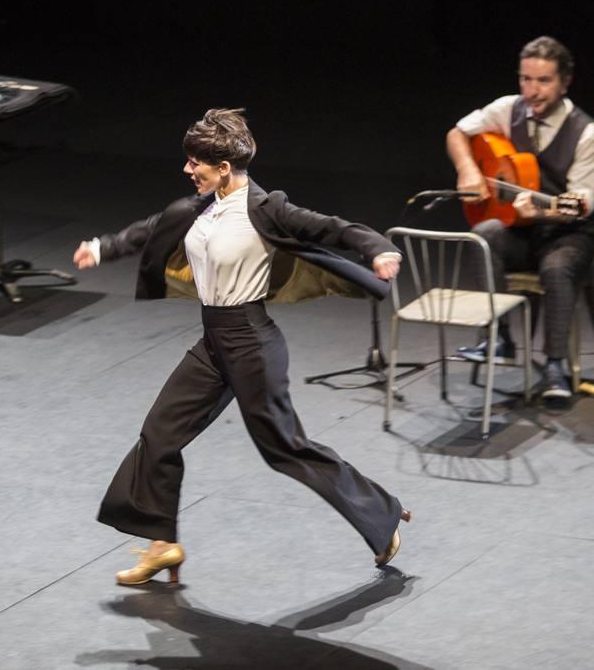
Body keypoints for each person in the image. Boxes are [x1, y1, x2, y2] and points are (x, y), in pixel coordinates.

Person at [74, 109, 410, 586]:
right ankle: (163, 544)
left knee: (285, 449)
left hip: (251, 341)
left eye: (196, 164)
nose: (188, 171)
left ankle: (383, 513)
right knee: (159, 434)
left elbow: (330, 227)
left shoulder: (266, 208)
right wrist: (103, 247)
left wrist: (376, 248)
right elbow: (150, 228)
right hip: (213, 341)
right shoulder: (197, 207)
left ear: (224, 168)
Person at [444, 35, 594, 402]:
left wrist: (547, 210)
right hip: (520, 230)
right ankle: (499, 339)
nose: (532, 91)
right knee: (483, 235)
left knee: (557, 267)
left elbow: (581, 203)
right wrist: (468, 169)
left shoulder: (585, 133)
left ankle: (555, 367)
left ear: (565, 82)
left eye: (543, 81)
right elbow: (457, 132)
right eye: (526, 79)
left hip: (568, 234)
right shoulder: (507, 109)